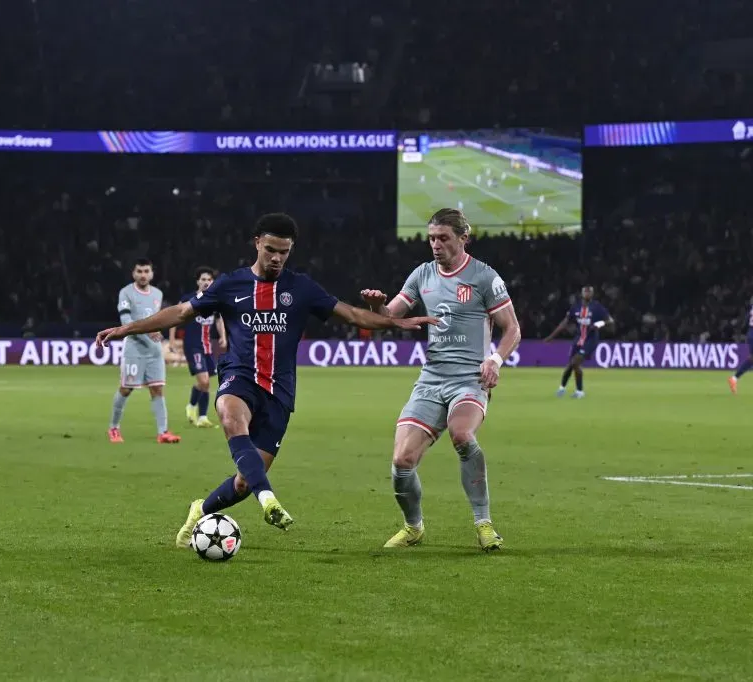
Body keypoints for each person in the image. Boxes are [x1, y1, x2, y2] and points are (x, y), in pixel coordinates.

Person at [95, 213, 435, 542]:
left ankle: (202, 509)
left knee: (243, 482)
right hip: (239, 377)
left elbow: (351, 314)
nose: (276, 258)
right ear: (257, 243)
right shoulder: (230, 284)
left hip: (280, 392)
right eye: (270, 249)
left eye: (283, 252)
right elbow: (181, 312)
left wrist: (393, 321)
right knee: (229, 413)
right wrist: (127, 328)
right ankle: (268, 499)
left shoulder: (301, 288)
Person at [361, 208, 522, 552]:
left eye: (443, 238)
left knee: (461, 434)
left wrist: (495, 360)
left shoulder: (484, 277)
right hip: (431, 378)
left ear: (464, 238)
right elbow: (390, 317)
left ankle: (484, 523)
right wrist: (377, 308)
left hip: (470, 378)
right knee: (402, 461)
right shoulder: (422, 274)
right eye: (432, 238)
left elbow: (512, 328)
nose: (435, 245)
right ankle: (413, 527)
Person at [107, 258, 181, 444]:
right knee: (126, 389)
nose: (143, 275)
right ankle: (114, 428)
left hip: (154, 351)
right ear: (134, 273)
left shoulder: (157, 293)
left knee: (157, 389)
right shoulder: (126, 293)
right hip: (134, 350)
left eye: (146, 271)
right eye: (139, 271)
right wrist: (149, 332)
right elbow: (126, 323)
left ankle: (163, 432)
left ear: (151, 273)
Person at [170, 266, 228, 428]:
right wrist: (173, 339)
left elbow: (219, 319)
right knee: (204, 382)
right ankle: (200, 415)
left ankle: (195, 411)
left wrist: (223, 337)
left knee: (205, 383)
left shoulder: (215, 300)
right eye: (203, 279)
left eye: (209, 280)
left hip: (207, 347)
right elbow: (174, 316)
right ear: (197, 281)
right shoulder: (189, 299)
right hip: (193, 346)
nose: (206, 282)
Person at [544, 286, 613, 398]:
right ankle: (562, 388)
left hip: (590, 340)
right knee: (571, 365)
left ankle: (580, 391)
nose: (587, 294)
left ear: (592, 294)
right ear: (582, 293)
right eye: (585, 292)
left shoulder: (597, 307)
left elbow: (610, 321)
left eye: (589, 292)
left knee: (575, 362)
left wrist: (599, 324)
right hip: (578, 339)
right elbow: (564, 323)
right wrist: (552, 336)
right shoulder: (576, 307)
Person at [728, 296, 753, 394]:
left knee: (751, 359)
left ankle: (734, 379)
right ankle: (734, 378)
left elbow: (746, 319)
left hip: (750, 332)